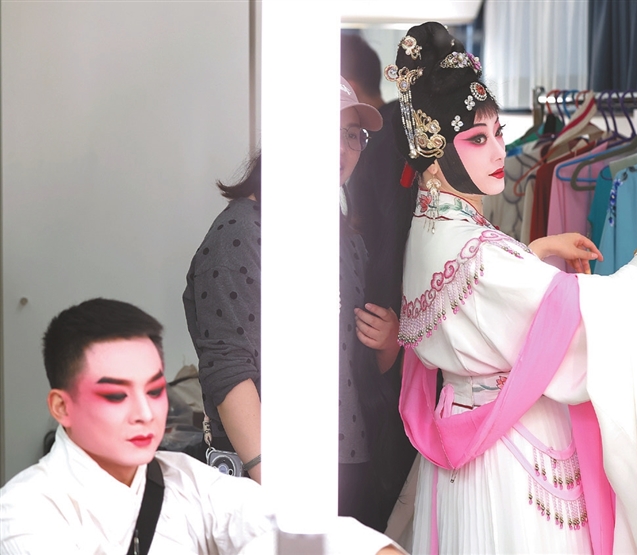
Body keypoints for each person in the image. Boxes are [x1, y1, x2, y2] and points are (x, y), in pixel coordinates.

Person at [384, 22, 637, 554]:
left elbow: (478, 296)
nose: (499, 151)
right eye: (477, 139)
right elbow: (584, 315)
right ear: (434, 151)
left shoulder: (428, 230)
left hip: (463, 442)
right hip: (509, 454)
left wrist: (533, 249)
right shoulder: (478, 252)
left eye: (498, 133)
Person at [0, 298, 406, 554]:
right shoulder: (22, 512)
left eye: (154, 390)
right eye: (115, 395)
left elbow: (286, 525)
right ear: (62, 407)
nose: (144, 413)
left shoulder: (183, 479)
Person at [341, 33, 419, 533]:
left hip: (384, 344)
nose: (345, 148)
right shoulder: (392, 136)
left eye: (351, 134)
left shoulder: (388, 143)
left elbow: (388, 242)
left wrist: (393, 344)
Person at [183, 154, 263, 482]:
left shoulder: (335, 232)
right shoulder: (239, 232)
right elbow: (228, 365)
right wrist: (271, 478)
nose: (341, 149)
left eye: (354, 135)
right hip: (265, 472)